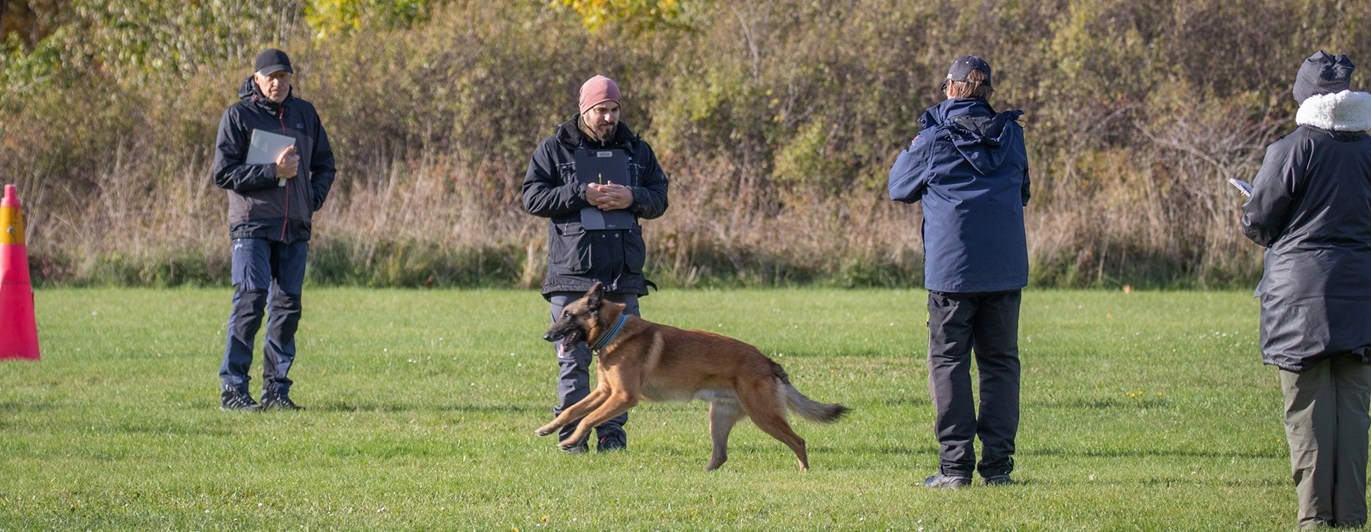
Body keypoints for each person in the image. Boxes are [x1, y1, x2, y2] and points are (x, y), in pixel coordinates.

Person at [1241, 51, 1371, 529]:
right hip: (1362, 297)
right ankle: (1351, 517)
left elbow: (1259, 221)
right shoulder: (1369, 151)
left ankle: (1314, 518)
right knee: (1354, 413)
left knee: (1307, 412)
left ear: (1303, 96)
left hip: (1300, 301)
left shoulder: (1291, 148)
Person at [887, 55, 1030, 488]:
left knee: (949, 362)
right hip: (1003, 270)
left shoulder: (935, 139)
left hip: (952, 273)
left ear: (951, 88)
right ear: (987, 93)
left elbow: (899, 186)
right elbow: (1023, 192)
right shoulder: (1012, 136)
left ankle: (955, 468)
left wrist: (924, 135)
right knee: (1000, 365)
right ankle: (998, 469)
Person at [522, 75, 669, 453]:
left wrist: (632, 197)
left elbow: (659, 198)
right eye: (601, 110)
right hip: (572, 275)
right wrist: (580, 193)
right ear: (584, 109)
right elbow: (533, 198)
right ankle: (572, 440)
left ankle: (612, 436)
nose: (609, 117)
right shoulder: (554, 148)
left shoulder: (638, 150)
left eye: (614, 109)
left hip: (622, 277)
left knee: (622, 362)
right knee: (573, 361)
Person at [211, 48, 336, 411]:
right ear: (257, 79)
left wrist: (310, 200)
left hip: (294, 226)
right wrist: (272, 172)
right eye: (271, 77)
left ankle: (276, 390)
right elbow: (223, 173)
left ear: (290, 78)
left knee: (287, 308)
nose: (277, 83)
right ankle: (234, 389)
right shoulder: (238, 116)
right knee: (250, 301)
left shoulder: (305, 114)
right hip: (252, 225)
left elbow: (326, 165)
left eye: (283, 76)